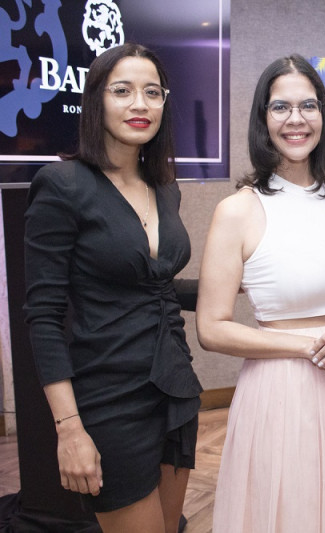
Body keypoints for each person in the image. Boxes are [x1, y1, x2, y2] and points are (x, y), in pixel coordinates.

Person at [196, 54, 325, 532]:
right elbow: (211, 328)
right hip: (281, 393)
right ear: (262, 119)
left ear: (323, 116)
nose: (296, 119)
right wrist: (312, 347)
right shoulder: (238, 211)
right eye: (280, 107)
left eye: (308, 106)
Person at [24, 43, 202, 531]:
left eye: (152, 92)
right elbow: (42, 316)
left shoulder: (164, 186)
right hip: (107, 396)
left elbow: (154, 284)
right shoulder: (62, 184)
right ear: (96, 100)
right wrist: (69, 429)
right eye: (122, 91)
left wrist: (240, 286)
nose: (139, 104)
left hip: (174, 383)